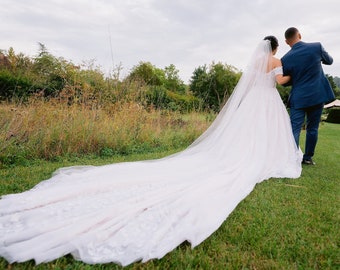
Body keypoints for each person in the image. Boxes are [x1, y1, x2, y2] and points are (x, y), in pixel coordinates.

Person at [0, 37, 302, 266]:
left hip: (250, 105)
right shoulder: (275, 63)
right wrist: (291, 76)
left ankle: (246, 154)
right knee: (261, 137)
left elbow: (248, 87)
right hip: (267, 102)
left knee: (243, 136)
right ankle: (261, 157)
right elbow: (278, 82)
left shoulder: (252, 64)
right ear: (275, 49)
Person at [281, 27, 334, 165]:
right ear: (299, 34)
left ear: (287, 42)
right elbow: (330, 61)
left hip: (298, 98)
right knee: (312, 128)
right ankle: (307, 158)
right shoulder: (316, 47)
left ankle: (290, 159)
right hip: (317, 95)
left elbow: (285, 83)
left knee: (294, 128)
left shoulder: (285, 58)